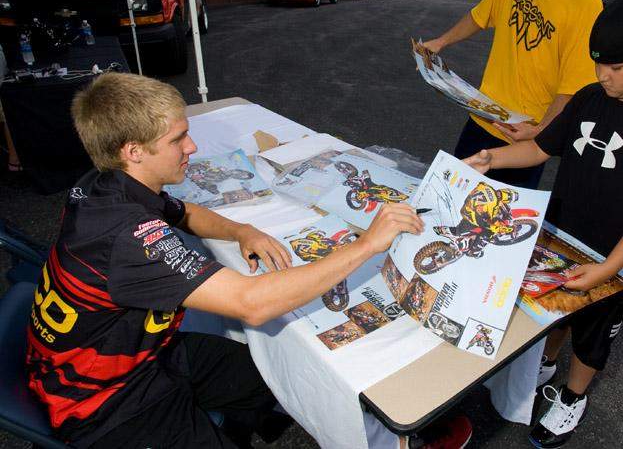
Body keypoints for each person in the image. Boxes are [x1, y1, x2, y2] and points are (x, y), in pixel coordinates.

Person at [25, 73, 470, 449]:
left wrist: (242, 230)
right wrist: (367, 244)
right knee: (281, 353)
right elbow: (251, 304)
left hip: (143, 355)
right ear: (133, 151)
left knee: (282, 377)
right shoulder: (127, 235)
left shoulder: (109, 185)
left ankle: (259, 423)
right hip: (105, 403)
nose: (192, 147)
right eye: (177, 139)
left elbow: (183, 212)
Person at [465, 0, 623, 447]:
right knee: (552, 313)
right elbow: (540, 148)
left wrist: (610, 267)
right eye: (598, 64)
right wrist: (491, 158)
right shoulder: (591, 97)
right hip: (558, 237)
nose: (602, 75)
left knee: (593, 334)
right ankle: (546, 363)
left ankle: (573, 396)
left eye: (616, 67)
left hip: (611, 257)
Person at [423, 0, 602, 189]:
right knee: (448, 198)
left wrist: (540, 130)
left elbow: (572, 88)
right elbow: (481, 15)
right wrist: (440, 42)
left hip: (524, 142)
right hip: (482, 120)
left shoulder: (586, 3)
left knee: (500, 214)